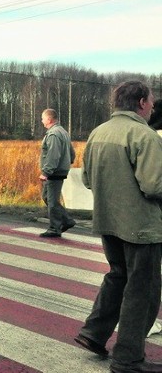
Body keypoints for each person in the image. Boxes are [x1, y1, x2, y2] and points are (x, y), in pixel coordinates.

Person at [74, 80, 162, 373]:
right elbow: (153, 185)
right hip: (141, 225)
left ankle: (94, 333)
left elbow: (87, 180)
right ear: (140, 103)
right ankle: (128, 357)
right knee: (144, 289)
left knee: (117, 276)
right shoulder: (144, 135)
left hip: (107, 220)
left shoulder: (98, 133)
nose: (152, 107)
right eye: (151, 101)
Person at [38, 108, 76, 238]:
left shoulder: (53, 134)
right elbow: (71, 152)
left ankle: (55, 228)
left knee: (52, 200)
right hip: (59, 169)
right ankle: (66, 220)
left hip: (54, 171)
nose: (42, 121)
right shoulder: (63, 132)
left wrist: (46, 172)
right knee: (47, 197)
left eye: (43, 118)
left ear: (49, 119)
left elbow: (53, 155)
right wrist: (68, 161)